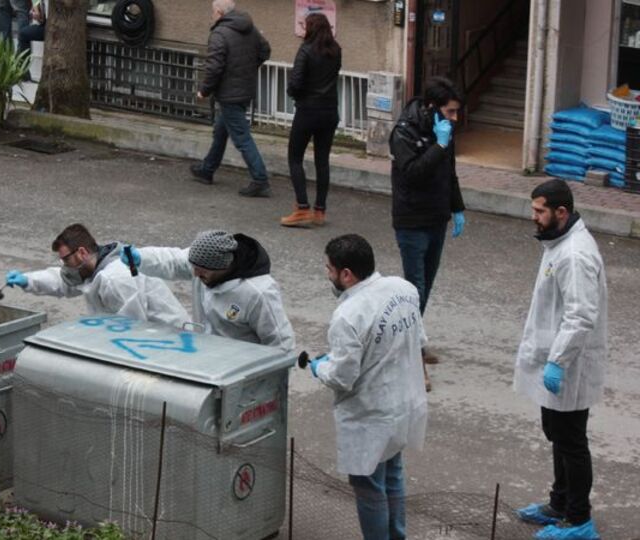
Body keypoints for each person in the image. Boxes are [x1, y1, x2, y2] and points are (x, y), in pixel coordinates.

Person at [306, 234, 427, 540]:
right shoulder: (404, 289)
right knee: (393, 475)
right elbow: (419, 342)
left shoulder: (348, 315)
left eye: (329, 268)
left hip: (370, 415)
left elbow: (342, 377)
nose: (327, 274)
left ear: (346, 274)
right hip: (403, 403)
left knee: (370, 488)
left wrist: (319, 367)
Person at [514, 180, 606, 540]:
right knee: (557, 434)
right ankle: (559, 503)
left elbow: (581, 315)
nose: (533, 217)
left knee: (571, 441)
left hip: (569, 365)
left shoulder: (575, 254)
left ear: (561, 213)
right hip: (556, 360)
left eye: (539, 211)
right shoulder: (559, 243)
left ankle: (579, 520)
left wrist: (558, 361)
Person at [389, 75, 467, 387]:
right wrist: (439, 144)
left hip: (437, 218)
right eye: (450, 111)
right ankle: (410, 358)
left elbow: (449, 172)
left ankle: (415, 343)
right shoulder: (405, 132)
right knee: (414, 290)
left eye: (456, 111)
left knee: (426, 287)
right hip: (411, 221)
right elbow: (413, 175)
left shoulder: (443, 131)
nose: (455, 118)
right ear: (433, 108)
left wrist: (457, 207)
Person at [122, 230, 295, 352]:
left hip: (241, 367)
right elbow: (173, 260)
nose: (195, 274)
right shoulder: (202, 261)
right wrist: (142, 258)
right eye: (193, 267)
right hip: (206, 355)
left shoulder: (259, 292)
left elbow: (280, 343)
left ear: (224, 266)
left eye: (202, 270)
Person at [4, 224, 189, 327]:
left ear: (82, 253)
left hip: (167, 338)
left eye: (66, 260)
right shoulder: (92, 266)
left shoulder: (115, 279)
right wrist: (28, 280)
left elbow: (132, 327)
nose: (64, 266)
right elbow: (64, 282)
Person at [190, 0, 272, 198]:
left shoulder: (219, 33)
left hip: (229, 94)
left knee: (242, 138)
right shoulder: (249, 28)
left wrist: (204, 90)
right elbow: (265, 51)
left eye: (212, 12)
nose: (212, 15)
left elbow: (214, 67)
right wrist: (248, 68)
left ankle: (260, 179)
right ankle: (207, 169)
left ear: (219, 12)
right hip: (244, 90)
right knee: (221, 130)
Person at [280, 11, 340, 228]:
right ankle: (320, 211)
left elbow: (296, 83)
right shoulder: (336, 50)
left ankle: (302, 208)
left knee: (295, 157)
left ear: (311, 28)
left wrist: (295, 94)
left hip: (308, 110)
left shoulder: (305, 50)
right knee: (322, 160)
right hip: (330, 111)